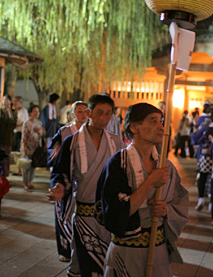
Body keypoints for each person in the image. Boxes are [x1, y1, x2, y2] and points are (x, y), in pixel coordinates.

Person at [95, 103, 189, 277]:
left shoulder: (165, 165)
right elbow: (116, 212)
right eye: (153, 121)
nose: (160, 127)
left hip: (158, 249)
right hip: (127, 251)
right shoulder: (118, 164)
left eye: (161, 121)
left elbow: (180, 203)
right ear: (134, 127)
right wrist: (149, 183)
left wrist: (165, 210)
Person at [48, 94, 125, 277]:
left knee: (107, 262)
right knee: (83, 261)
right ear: (89, 113)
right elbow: (61, 171)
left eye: (108, 114)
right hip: (83, 213)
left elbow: (123, 177)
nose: (104, 118)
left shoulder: (116, 142)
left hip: (107, 215)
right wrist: (60, 186)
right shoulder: (72, 141)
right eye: (99, 113)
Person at [48, 101, 88, 262]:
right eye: (79, 111)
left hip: (85, 180)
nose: (83, 114)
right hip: (66, 178)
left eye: (86, 110)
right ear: (72, 114)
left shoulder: (92, 132)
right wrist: (55, 154)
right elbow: (52, 149)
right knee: (63, 214)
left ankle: (82, 247)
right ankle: (64, 250)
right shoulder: (64, 131)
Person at [20, 104, 44, 191]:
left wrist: (39, 132)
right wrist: (24, 148)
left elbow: (41, 134)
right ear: (30, 112)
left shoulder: (39, 123)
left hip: (36, 147)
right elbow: (24, 136)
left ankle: (30, 182)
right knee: (26, 166)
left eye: (38, 111)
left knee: (33, 165)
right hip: (28, 146)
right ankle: (26, 183)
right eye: (35, 111)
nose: (37, 113)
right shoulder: (26, 123)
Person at [0, 95, 17, 176]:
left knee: (7, 156)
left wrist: (9, 112)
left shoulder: (13, 112)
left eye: (6, 100)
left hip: (8, 138)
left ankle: (6, 174)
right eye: (3, 100)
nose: (5, 102)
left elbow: (13, 124)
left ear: (10, 102)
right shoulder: (1, 111)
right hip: (1, 137)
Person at [12, 96, 29, 175]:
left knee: (20, 152)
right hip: (15, 132)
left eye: (16, 101)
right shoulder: (15, 111)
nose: (14, 103)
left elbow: (24, 122)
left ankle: (21, 170)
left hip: (20, 133)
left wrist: (14, 124)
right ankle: (18, 170)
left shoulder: (24, 111)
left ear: (20, 102)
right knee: (15, 152)